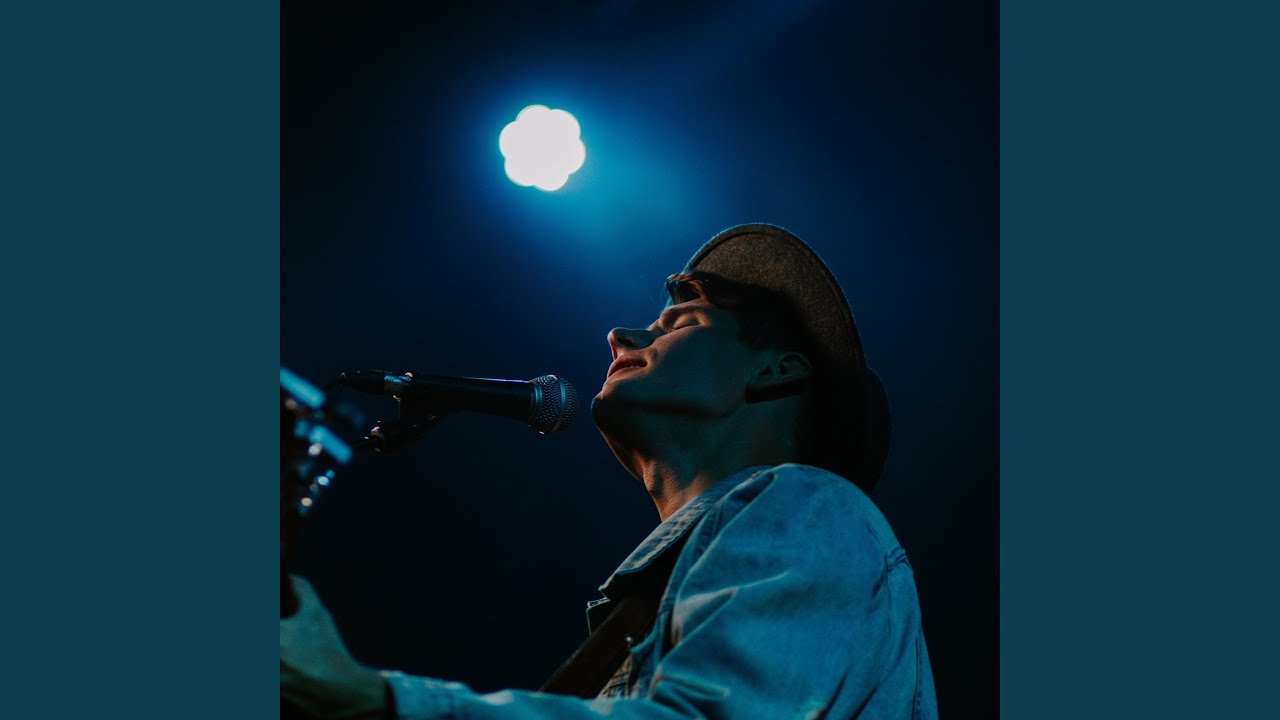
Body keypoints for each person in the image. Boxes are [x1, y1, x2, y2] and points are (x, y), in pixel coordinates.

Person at [280, 223, 939, 719]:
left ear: (774, 371)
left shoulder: (812, 506)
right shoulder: (652, 601)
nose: (620, 335)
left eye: (679, 322)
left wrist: (374, 700)